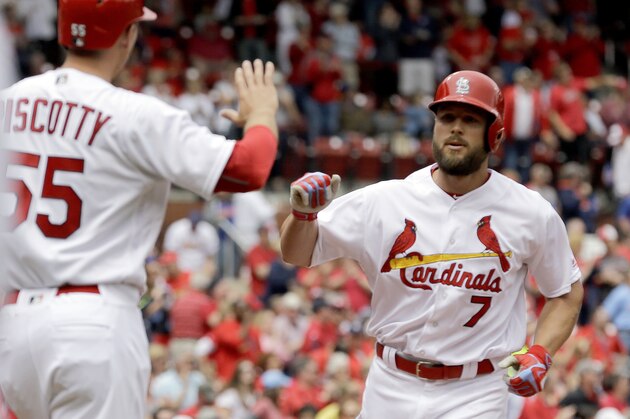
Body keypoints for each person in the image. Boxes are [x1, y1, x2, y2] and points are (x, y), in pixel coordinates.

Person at [0, 1, 278, 418]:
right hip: (93, 325)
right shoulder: (135, 114)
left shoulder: (11, 100)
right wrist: (262, 115)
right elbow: (248, 168)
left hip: (15, 323)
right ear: (126, 36)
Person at [280, 70, 583, 417]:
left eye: (470, 120)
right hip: (390, 384)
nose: (456, 127)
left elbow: (565, 290)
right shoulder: (386, 200)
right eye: (447, 117)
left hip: (476, 390)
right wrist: (302, 216)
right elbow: (297, 252)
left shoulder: (530, 212)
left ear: (495, 136)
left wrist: (541, 352)